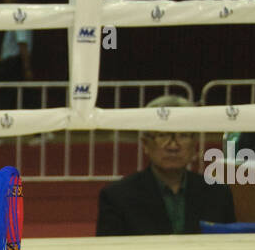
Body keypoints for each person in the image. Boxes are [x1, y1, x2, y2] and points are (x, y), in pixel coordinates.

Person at [95, 96, 236, 236]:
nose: (173, 146)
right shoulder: (117, 197)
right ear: (145, 144)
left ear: (194, 144)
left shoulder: (218, 194)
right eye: (163, 135)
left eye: (183, 135)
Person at [0, 0, 33, 111]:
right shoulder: (11, 22)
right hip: (9, 63)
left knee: (12, 97)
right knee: (7, 96)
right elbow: (8, 49)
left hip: (15, 64)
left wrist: (26, 68)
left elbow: (22, 44)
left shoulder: (19, 19)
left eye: (7, 4)